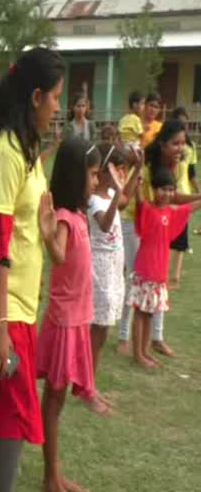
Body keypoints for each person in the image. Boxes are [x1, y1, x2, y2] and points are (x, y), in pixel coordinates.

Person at [0, 47, 64, 492]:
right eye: (56, 98)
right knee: (15, 408)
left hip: (21, 299)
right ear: (36, 96)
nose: (59, 108)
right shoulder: (7, 152)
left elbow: (25, 225)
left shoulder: (27, 148)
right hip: (0, 305)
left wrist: (46, 233)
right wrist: (0, 326)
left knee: (4, 402)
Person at [36, 138, 102, 492]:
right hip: (64, 322)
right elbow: (59, 255)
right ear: (75, 176)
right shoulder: (64, 217)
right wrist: (48, 237)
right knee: (54, 399)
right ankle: (51, 477)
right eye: (92, 175)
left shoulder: (78, 215)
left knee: (57, 401)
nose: (95, 181)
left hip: (77, 319)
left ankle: (53, 472)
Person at [132, 119, 201, 358]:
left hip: (159, 228)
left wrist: (197, 197)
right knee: (136, 292)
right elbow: (142, 201)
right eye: (175, 143)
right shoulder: (145, 167)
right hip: (135, 222)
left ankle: (155, 340)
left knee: (155, 297)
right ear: (162, 144)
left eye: (183, 143)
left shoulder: (177, 165)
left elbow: (175, 198)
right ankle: (128, 341)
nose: (180, 148)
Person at [88, 143, 142, 402]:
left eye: (124, 170)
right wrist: (119, 190)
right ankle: (87, 386)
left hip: (112, 266)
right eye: (119, 170)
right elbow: (106, 223)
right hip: (99, 268)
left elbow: (124, 200)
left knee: (102, 329)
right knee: (96, 330)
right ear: (106, 171)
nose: (122, 174)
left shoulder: (110, 194)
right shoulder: (94, 198)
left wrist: (137, 170)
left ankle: (89, 383)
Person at [115, 90, 146, 357]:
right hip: (126, 220)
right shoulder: (130, 154)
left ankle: (127, 333)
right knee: (129, 276)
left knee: (132, 276)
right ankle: (123, 334)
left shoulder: (142, 152)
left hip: (140, 219)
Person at [167, 107, 198, 286]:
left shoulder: (191, 147)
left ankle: (175, 276)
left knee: (181, 237)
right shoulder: (168, 149)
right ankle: (164, 272)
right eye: (180, 123)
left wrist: (197, 190)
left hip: (184, 192)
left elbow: (192, 172)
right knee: (166, 234)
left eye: (185, 124)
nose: (184, 127)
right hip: (169, 193)